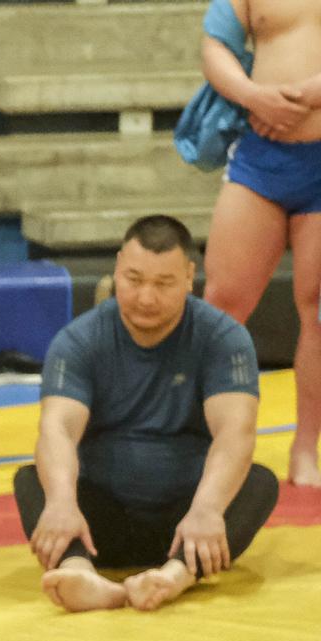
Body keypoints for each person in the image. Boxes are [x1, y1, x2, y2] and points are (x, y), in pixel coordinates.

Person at [17, 217, 280, 613]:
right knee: (32, 481)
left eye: (163, 284)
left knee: (258, 483)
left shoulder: (222, 338)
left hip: (187, 521)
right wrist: (61, 503)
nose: (146, 298)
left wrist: (206, 509)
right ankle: (78, 570)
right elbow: (57, 427)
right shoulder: (79, 340)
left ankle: (175, 576)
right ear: (118, 267)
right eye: (134, 279)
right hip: (97, 524)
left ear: (190, 277)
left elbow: (235, 432)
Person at [198, 0, 321, 487]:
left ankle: (306, 446)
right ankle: (200, 438)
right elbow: (215, 46)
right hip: (261, 157)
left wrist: (315, 92)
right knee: (221, 305)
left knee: (316, 310)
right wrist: (253, 94)